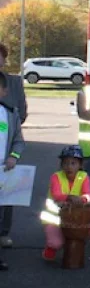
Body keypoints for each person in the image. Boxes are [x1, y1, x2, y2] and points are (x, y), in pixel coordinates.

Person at [41, 145, 90, 262]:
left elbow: (88, 194)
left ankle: (72, 241)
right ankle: (52, 246)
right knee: (55, 243)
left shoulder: (84, 176)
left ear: (80, 165)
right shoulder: (56, 177)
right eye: (66, 163)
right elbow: (56, 194)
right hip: (54, 219)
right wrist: (70, 197)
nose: (69, 167)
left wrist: (83, 199)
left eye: (73, 163)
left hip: (74, 217)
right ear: (61, 165)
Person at [0, 44, 27, 251]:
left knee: (7, 196)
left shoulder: (14, 82)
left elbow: (21, 113)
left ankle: (4, 233)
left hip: (6, 150)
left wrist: (13, 154)